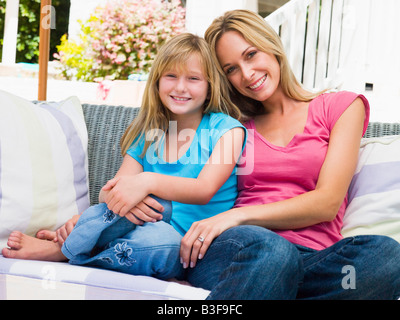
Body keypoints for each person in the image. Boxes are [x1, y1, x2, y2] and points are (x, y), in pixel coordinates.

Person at [178, 10, 400, 299]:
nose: (246, 74)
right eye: (230, 69)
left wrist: (236, 216)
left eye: (251, 54)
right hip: (240, 251)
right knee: (273, 252)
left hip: (315, 264)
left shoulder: (341, 106)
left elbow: (327, 203)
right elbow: (180, 170)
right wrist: (140, 185)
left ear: (272, 47)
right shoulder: (230, 126)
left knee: (386, 256)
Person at [2, 33, 246, 281]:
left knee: (162, 242)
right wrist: (130, 202)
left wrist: (146, 183)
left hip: (184, 247)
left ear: (209, 88)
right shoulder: (150, 133)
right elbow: (107, 192)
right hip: (137, 226)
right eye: (171, 76)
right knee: (113, 207)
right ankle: (75, 239)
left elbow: (204, 189)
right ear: (157, 82)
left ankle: (66, 250)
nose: (180, 87)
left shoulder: (227, 129)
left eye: (193, 79)